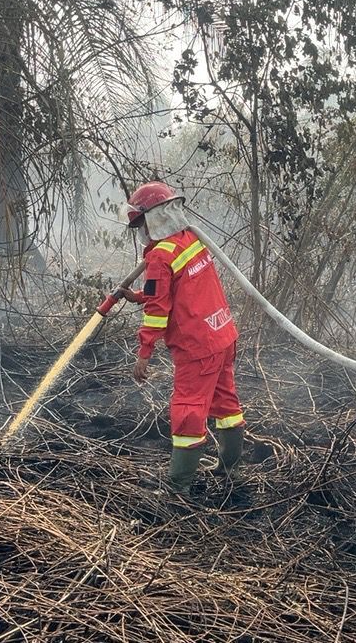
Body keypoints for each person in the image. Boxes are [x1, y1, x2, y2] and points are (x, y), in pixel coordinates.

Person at [116, 181, 246, 495]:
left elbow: (160, 309)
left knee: (188, 410)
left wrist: (144, 350)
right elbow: (177, 290)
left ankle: (177, 489)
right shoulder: (188, 239)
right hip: (222, 335)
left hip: (197, 346)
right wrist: (138, 296)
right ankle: (228, 469)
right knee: (225, 403)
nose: (141, 230)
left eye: (142, 223)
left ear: (154, 218)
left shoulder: (161, 255)